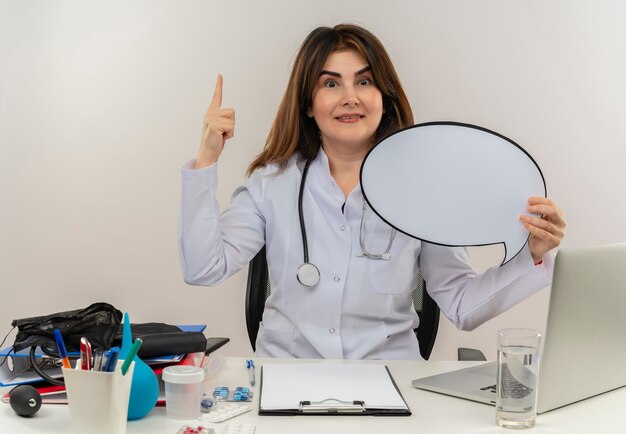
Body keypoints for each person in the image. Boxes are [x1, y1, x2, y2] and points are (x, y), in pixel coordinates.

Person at [179, 24, 565, 360]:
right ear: (308, 105)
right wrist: (207, 159)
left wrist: (529, 257)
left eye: (364, 81)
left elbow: (463, 305)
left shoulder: (422, 191)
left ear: (385, 97)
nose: (351, 97)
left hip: (388, 380)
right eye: (330, 83)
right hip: (287, 377)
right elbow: (203, 269)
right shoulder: (272, 183)